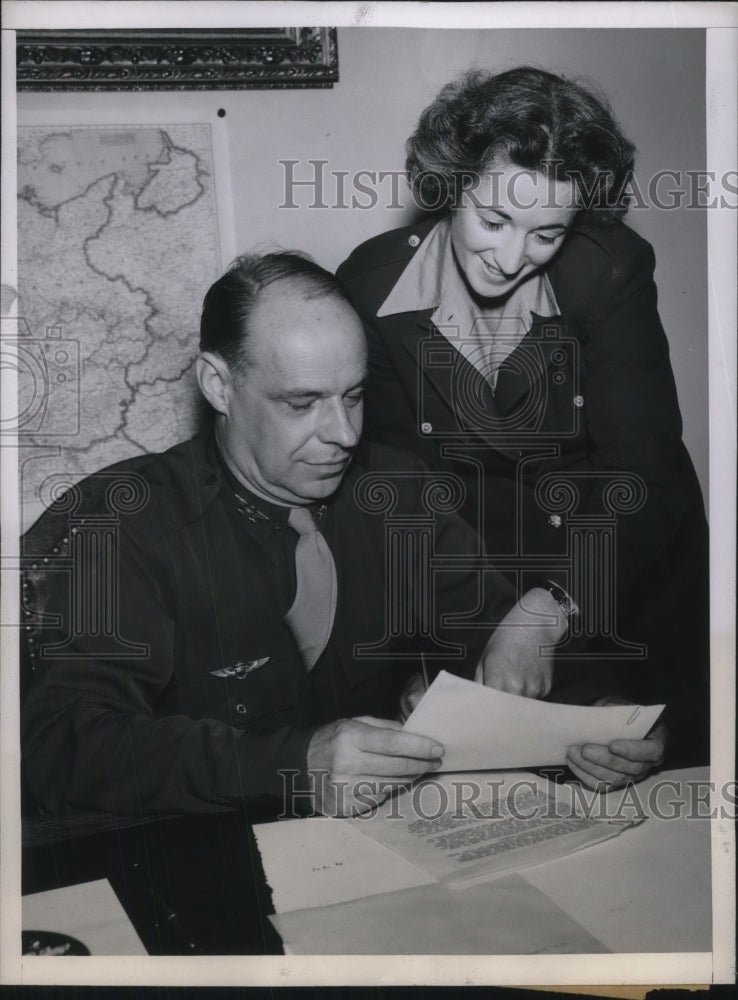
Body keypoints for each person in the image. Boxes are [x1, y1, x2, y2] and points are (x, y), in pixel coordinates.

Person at [21, 251, 664, 821]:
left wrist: (603, 722)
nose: (345, 434)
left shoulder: (400, 494)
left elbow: (499, 642)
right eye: (302, 404)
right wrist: (293, 766)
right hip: (197, 860)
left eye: (353, 396)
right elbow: (60, 746)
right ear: (218, 384)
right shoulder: (118, 524)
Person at [337, 67, 709, 771]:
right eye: (495, 220)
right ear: (451, 186)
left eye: (546, 234)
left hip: (621, 574)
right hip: (470, 582)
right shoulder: (368, 286)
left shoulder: (609, 271)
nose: (510, 258)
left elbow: (647, 481)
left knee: (637, 782)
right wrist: (428, 662)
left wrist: (551, 611)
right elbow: (393, 498)